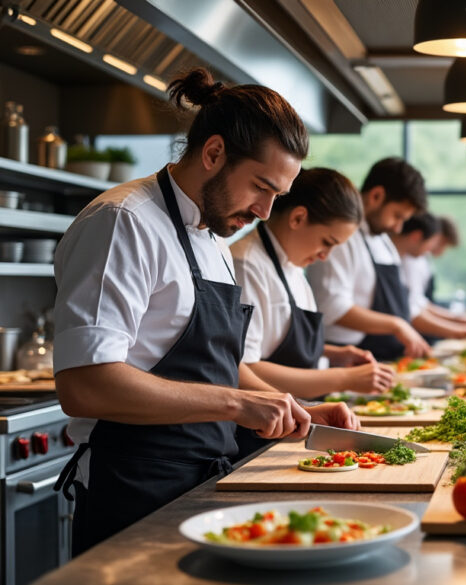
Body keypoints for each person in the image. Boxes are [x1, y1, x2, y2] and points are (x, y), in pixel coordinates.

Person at [51, 68, 358, 555]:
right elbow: (85, 384)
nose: (264, 211)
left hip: (205, 486)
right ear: (214, 153)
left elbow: (216, 363)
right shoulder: (123, 222)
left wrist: (299, 410)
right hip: (134, 493)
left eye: (277, 195)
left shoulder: (211, 238)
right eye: (261, 186)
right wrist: (237, 405)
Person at [231, 167, 395, 459]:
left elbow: (276, 342)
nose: (324, 257)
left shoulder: (293, 267)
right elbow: (247, 367)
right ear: (297, 218)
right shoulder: (248, 265)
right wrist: (344, 378)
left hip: (297, 426)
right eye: (327, 243)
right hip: (258, 440)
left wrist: (333, 353)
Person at [307, 157, 430, 361]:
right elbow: (331, 306)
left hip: (385, 357)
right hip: (346, 356)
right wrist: (396, 325)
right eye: (397, 216)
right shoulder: (342, 237)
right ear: (376, 196)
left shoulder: (383, 241)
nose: (398, 228)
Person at [392, 213, 466, 341]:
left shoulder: (421, 259)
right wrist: (457, 328)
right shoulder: (412, 259)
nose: (442, 251)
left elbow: (420, 303)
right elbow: (413, 310)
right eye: (442, 243)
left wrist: (457, 320)